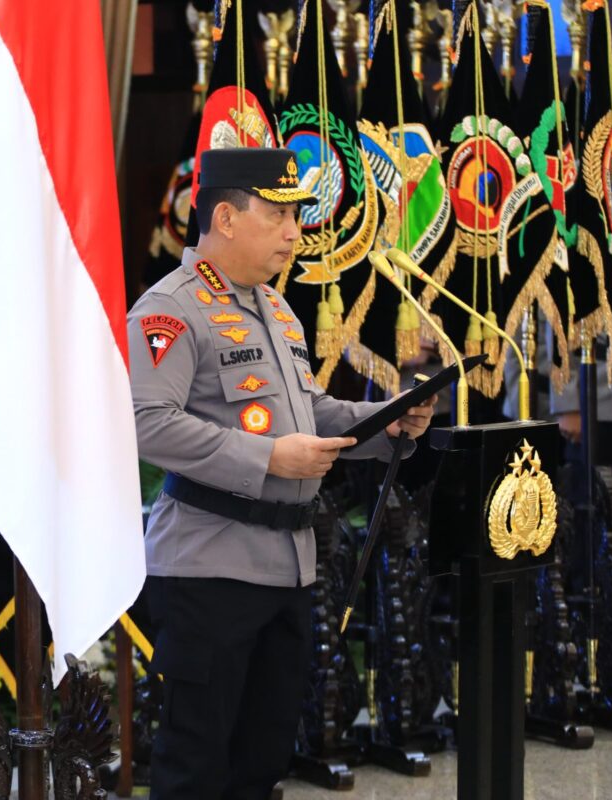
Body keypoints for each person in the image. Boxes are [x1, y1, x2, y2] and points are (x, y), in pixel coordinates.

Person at [128, 147, 435, 799]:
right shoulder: (170, 309)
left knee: (262, 763)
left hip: (288, 567)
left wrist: (387, 422)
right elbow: (146, 422)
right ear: (225, 218)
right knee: (195, 767)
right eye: (278, 215)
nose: (295, 232)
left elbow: (310, 412)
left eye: (296, 216)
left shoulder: (275, 307)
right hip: (208, 570)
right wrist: (267, 457)